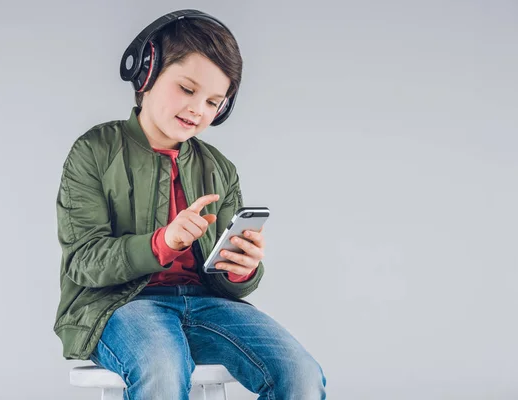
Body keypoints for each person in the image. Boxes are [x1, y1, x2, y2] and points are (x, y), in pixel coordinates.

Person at [54, 9, 327, 399]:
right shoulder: (94, 151)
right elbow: (84, 261)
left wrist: (241, 270)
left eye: (215, 101)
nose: (199, 109)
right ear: (146, 75)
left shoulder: (219, 167)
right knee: (162, 369)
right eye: (187, 89)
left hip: (205, 305)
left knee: (301, 374)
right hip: (119, 306)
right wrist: (162, 243)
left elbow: (231, 284)